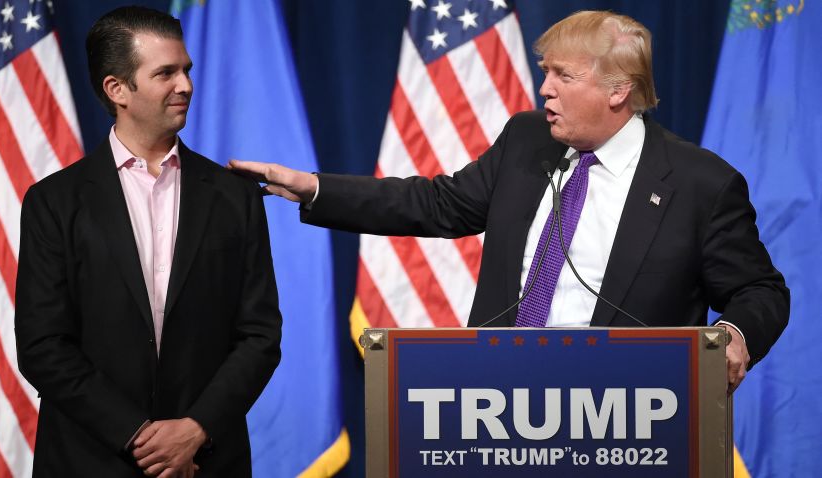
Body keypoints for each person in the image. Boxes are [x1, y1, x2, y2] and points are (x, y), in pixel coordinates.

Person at [230, 10, 788, 395]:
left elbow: (759, 289)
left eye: (562, 76)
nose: (544, 89)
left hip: (629, 417)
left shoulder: (700, 183)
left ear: (619, 90)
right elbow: (437, 204)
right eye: (545, 72)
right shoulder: (527, 140)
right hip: (499, 405)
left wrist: (735, 335)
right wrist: (314, 187)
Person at [15, 6, 281, 477]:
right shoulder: (53, 201)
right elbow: (42, 345)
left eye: (186, 70)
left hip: (208, 460)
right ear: (117, 89)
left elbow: (259, 335)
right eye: (166, 73)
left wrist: (195, 429)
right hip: (90, 460)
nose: (186, 85)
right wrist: (139, 437)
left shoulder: (234, 195)